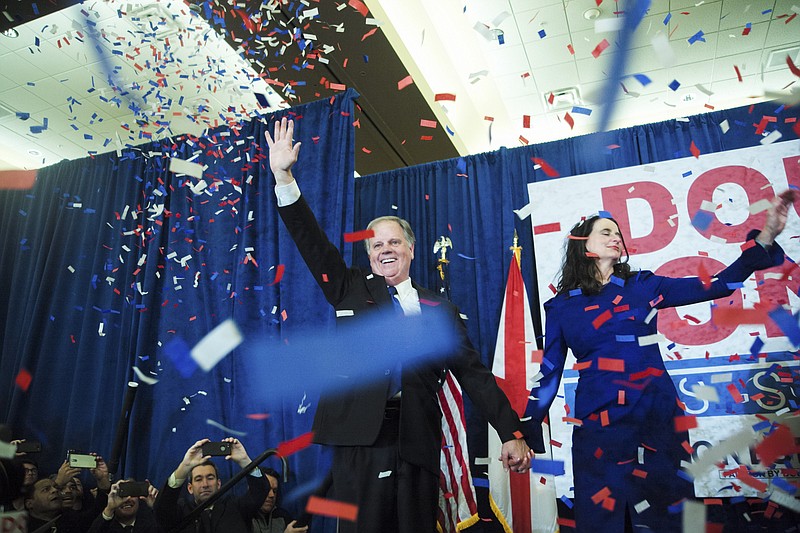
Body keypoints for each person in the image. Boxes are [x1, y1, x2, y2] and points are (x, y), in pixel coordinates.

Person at [266, 116, 532, 532]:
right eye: (376, 245)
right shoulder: (349, 287)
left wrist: (511, 431)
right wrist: (284, 177)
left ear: (410, 248)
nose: (385, 249)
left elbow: (474, 375)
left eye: (393, 242)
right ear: (369, 254)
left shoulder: (438, 308)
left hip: (416, 440)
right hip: (359, 440)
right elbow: (311, 241)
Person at [526, 191, 793, 532]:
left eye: (618, 234)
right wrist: (524, 430)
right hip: (599, 428)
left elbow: (717, 285)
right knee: (604, 519)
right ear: (583, 244)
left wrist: (767, 236)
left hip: (657, 418)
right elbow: (550, 372)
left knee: (669, 516)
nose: (616, 238)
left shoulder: (644, 285)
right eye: (605, 232)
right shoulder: (561, 306)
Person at [152, 437, 268, 533]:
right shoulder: (181, 512)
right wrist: (184, 467)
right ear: (190, 488)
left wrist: (245, 461)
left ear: (219, 483)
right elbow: (161, 509)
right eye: (198, 479)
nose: (205, 484)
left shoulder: (236, 507)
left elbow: (261, 490)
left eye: (210, 478)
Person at [87, 479, 162, 532]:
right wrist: (109, 508)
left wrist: (156, 507)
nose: (128, 499)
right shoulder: (104, 526)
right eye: (122, 495)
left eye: (132, 493)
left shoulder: (151, 523)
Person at [251, 467, 307, 533]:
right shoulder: (243, 516)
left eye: (274, 491)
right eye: (267, 489)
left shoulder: (282, 516)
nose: (272, 495)